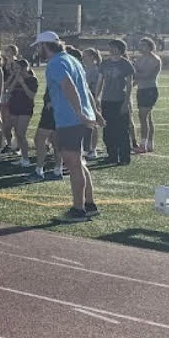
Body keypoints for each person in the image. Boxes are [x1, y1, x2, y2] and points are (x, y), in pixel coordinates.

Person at [32, 31, 100, 222]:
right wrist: (94, 112)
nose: (38, 50)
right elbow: (84, 88)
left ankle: (78, 210)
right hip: (80, 118)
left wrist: (79, 112)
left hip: (70, 120)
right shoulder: (72, 59)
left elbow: (68, 86)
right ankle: (89, 204)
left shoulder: (55, 63)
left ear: (45, 46)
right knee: (78, 162)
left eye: (39, 46)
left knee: (73, 163)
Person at [95, 39, 134, 166]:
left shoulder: (126, 64)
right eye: (110, 47)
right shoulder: (104, 63)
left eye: (114, 47)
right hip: (107, 100)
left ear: (120, 49)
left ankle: (124, 156)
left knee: (122, 130)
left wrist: (126, 102)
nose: (111, 49)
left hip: (120, 100)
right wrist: (97, 98)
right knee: (108, 130)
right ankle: (112, 155)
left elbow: (129, 85)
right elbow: (100, 82)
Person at [7, 59, 38, 167]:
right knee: (17, 134)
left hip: (25, 109)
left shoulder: (32, 80)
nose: (15, 70)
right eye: (14, 68)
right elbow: (9, 90)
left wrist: (22, 83)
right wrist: (15, 79)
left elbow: (31, 95)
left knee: (21, 133)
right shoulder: (15, 78)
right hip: (14, 108)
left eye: (17, 68)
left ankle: (26, 159)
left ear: (24, 68)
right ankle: (23, 157)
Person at [134, 37, 162, 154]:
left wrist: (134, 70)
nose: (140, 47)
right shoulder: (140, 59)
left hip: (149, 90)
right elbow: (137, 77)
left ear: (150, 46)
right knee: (148, 118)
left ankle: (143, 144)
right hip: (141, 89)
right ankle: (150, 144)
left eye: (143, 45)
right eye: (140, 45)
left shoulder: (154, 59)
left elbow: (147, 75)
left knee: (143, 117)